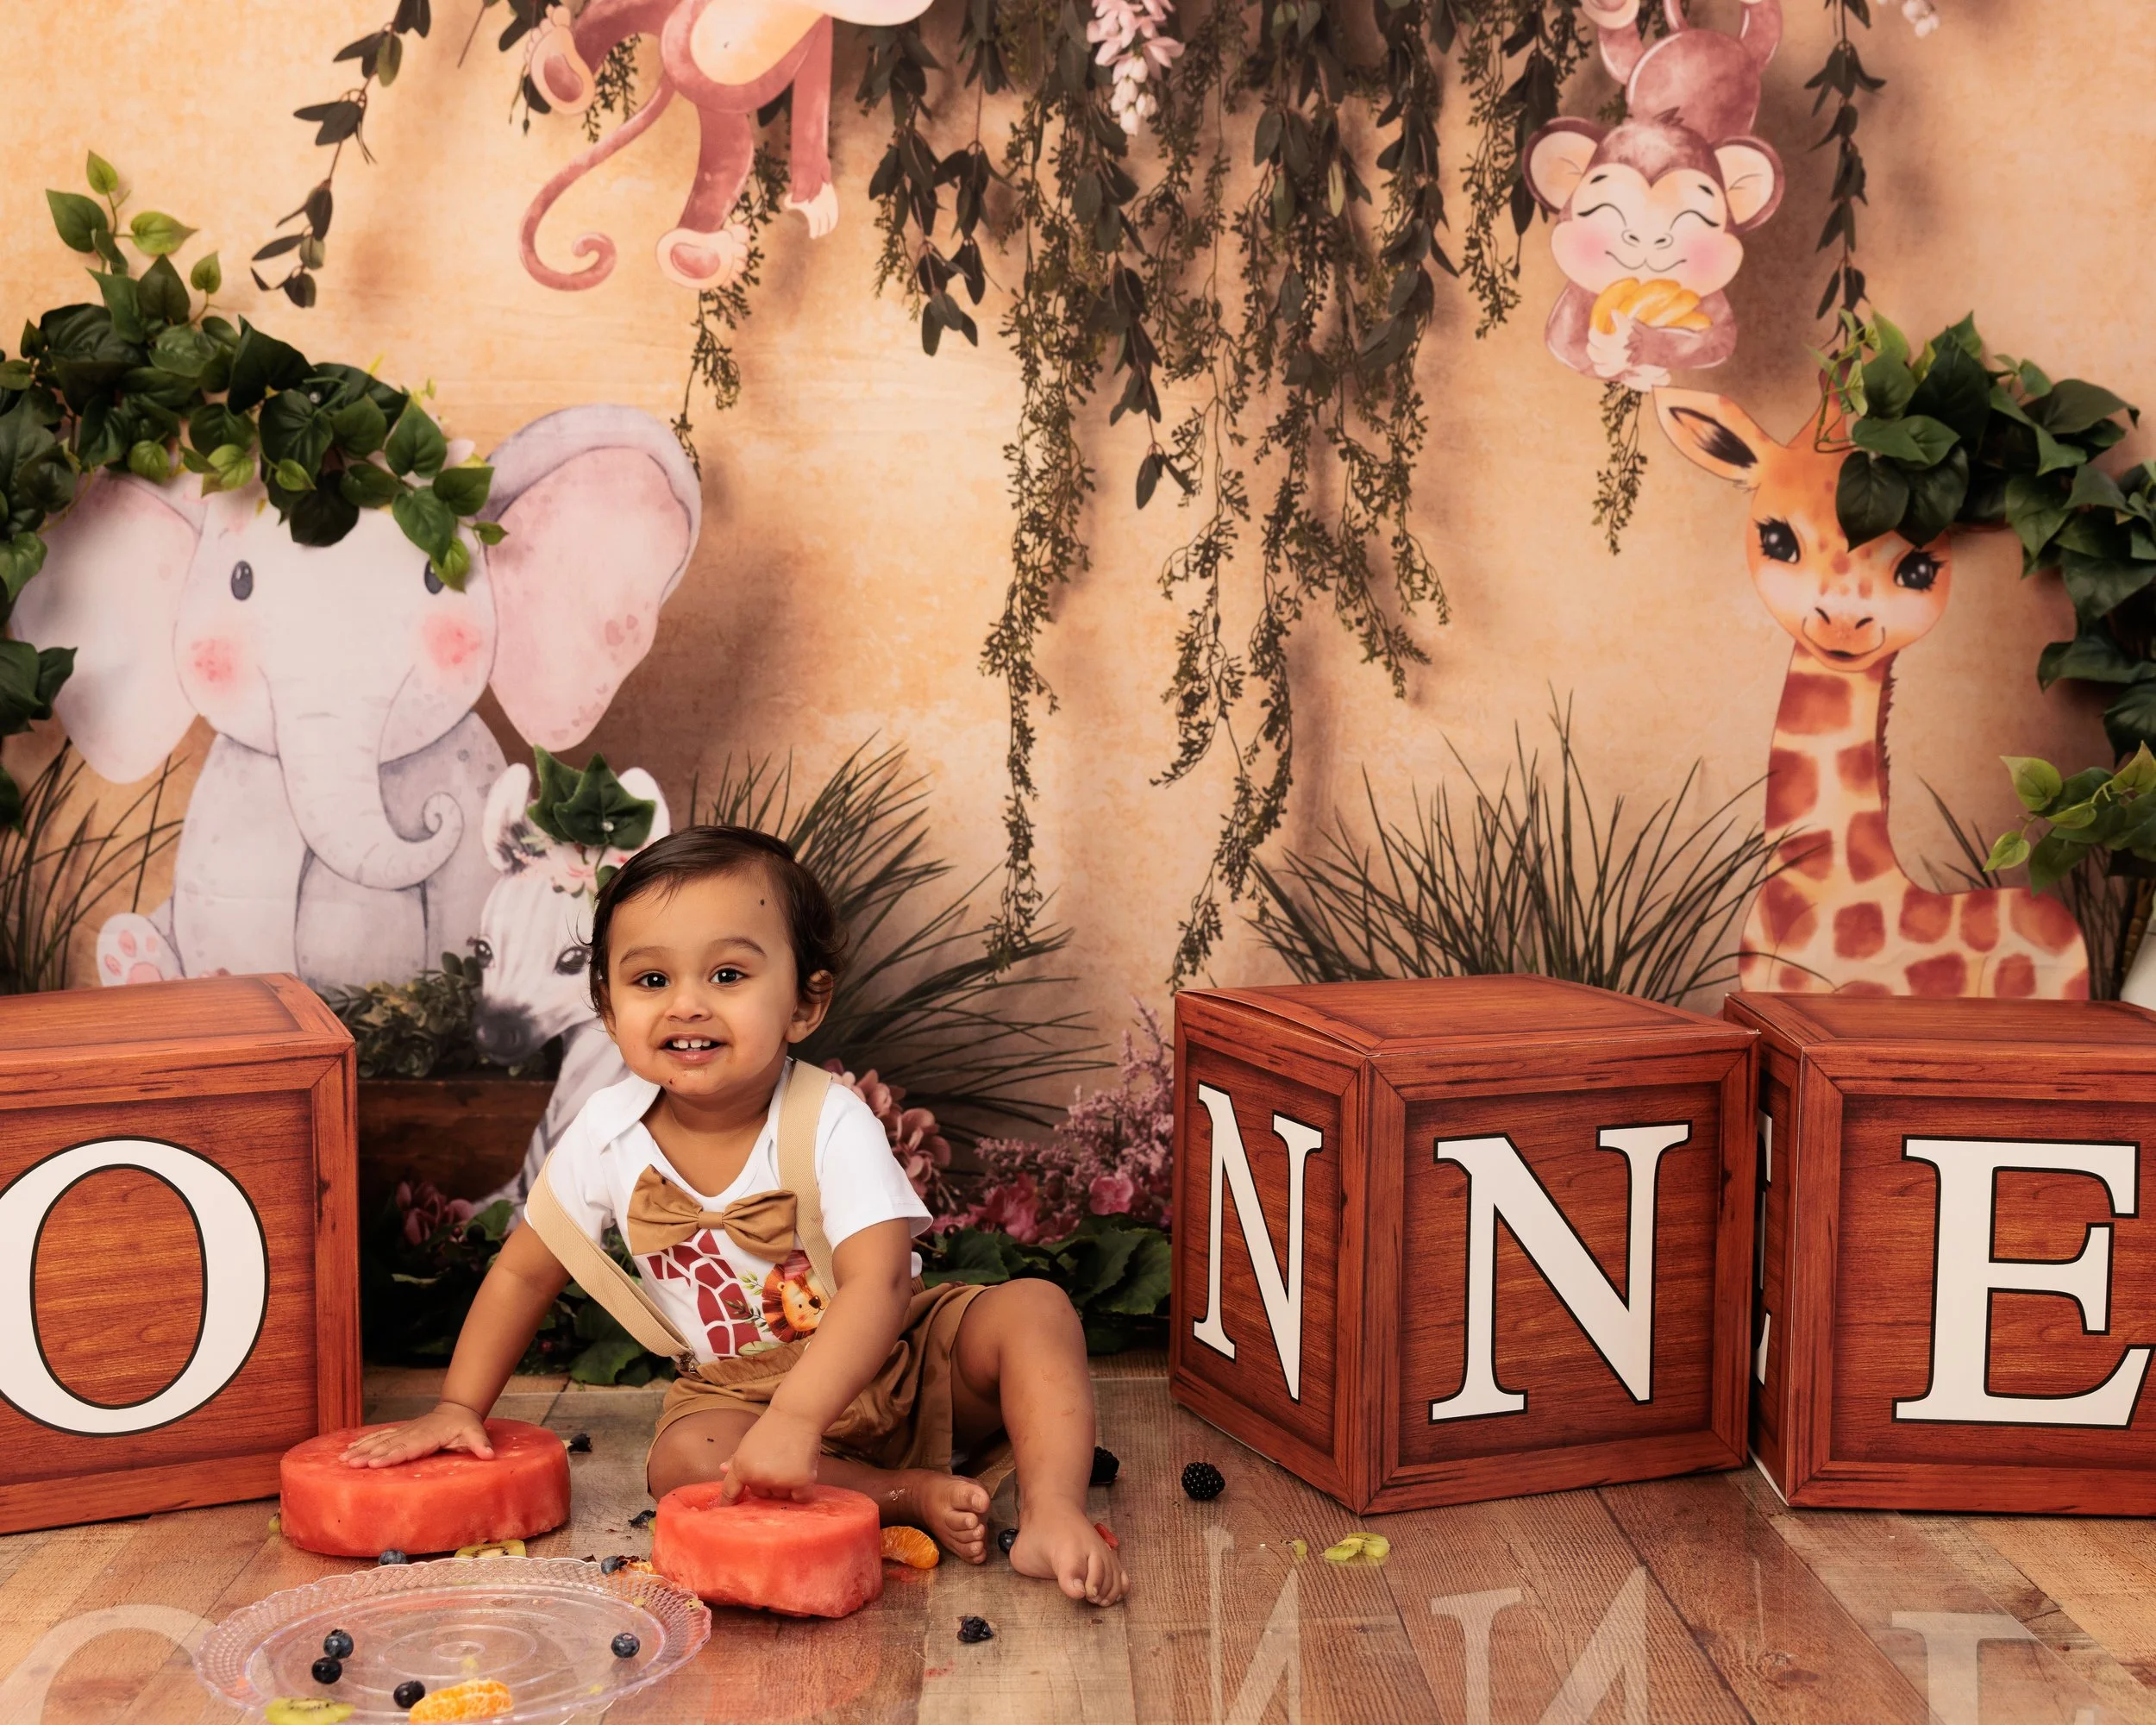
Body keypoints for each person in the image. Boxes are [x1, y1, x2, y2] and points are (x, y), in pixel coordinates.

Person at [344, 825, 1127, 1606]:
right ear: (608, 1011)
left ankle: (1054, 1510)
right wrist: (457, 1407)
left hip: (896, 1360)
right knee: (683, 1458)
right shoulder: (606, 1133)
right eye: (650, 980)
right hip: (736, 1396)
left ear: (804, 1002)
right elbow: (522, 1271)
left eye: (726, 974)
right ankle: (899, 1494)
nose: (687, 1003)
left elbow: (880, 1285)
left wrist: (801, 1415)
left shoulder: (829, 1118)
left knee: (1033, 1310)